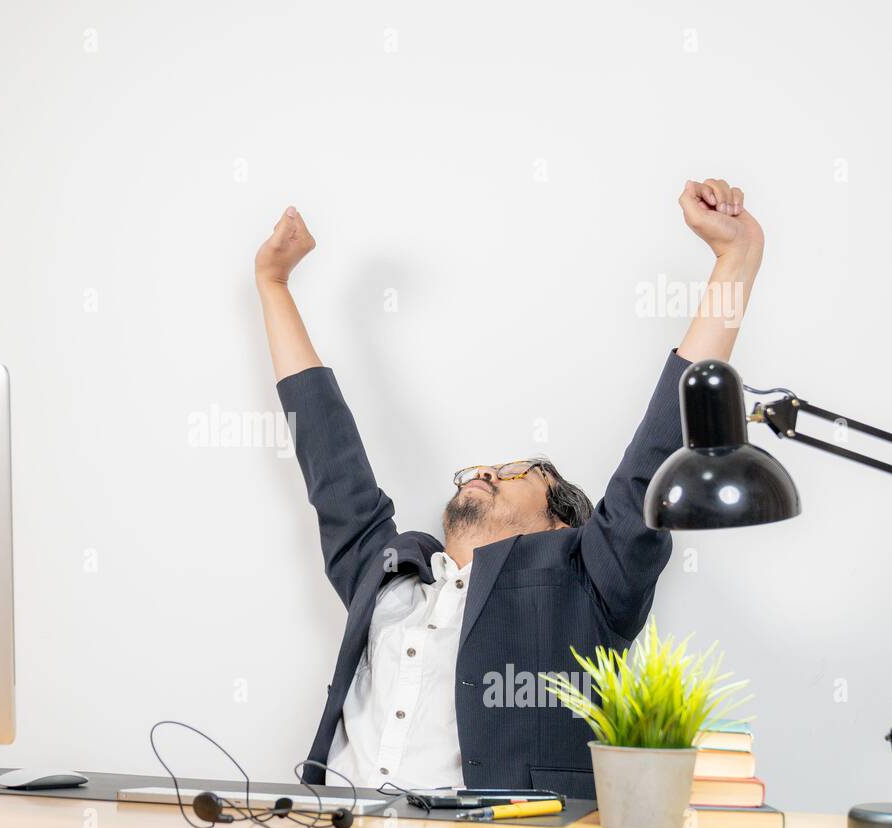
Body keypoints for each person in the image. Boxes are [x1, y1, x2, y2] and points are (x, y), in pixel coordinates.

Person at [253, 179, 764, 796]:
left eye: (521, 471)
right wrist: (274, 286)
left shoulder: (589, 580)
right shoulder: (386, 574)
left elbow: (661, 446)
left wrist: (736, 259)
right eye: (477, 471)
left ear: (562, 525)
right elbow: (329, 457)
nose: (486, 472)